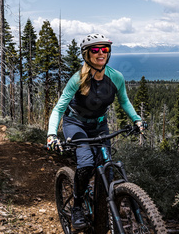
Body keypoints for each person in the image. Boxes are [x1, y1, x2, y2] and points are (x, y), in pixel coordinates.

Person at [46, 33, 144, 230]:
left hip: (99, 125)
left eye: (105, 49)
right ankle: (77, 205)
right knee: (86, 163)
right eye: (95, 50)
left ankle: (104, 211)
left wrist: (137, 120)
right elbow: (58, 108)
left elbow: (124, 101)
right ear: (86, 54)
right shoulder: (77, 79)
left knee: (106, 167)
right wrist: (51, 134)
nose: (101, 53)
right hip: (76, 124)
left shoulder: (115, 77)